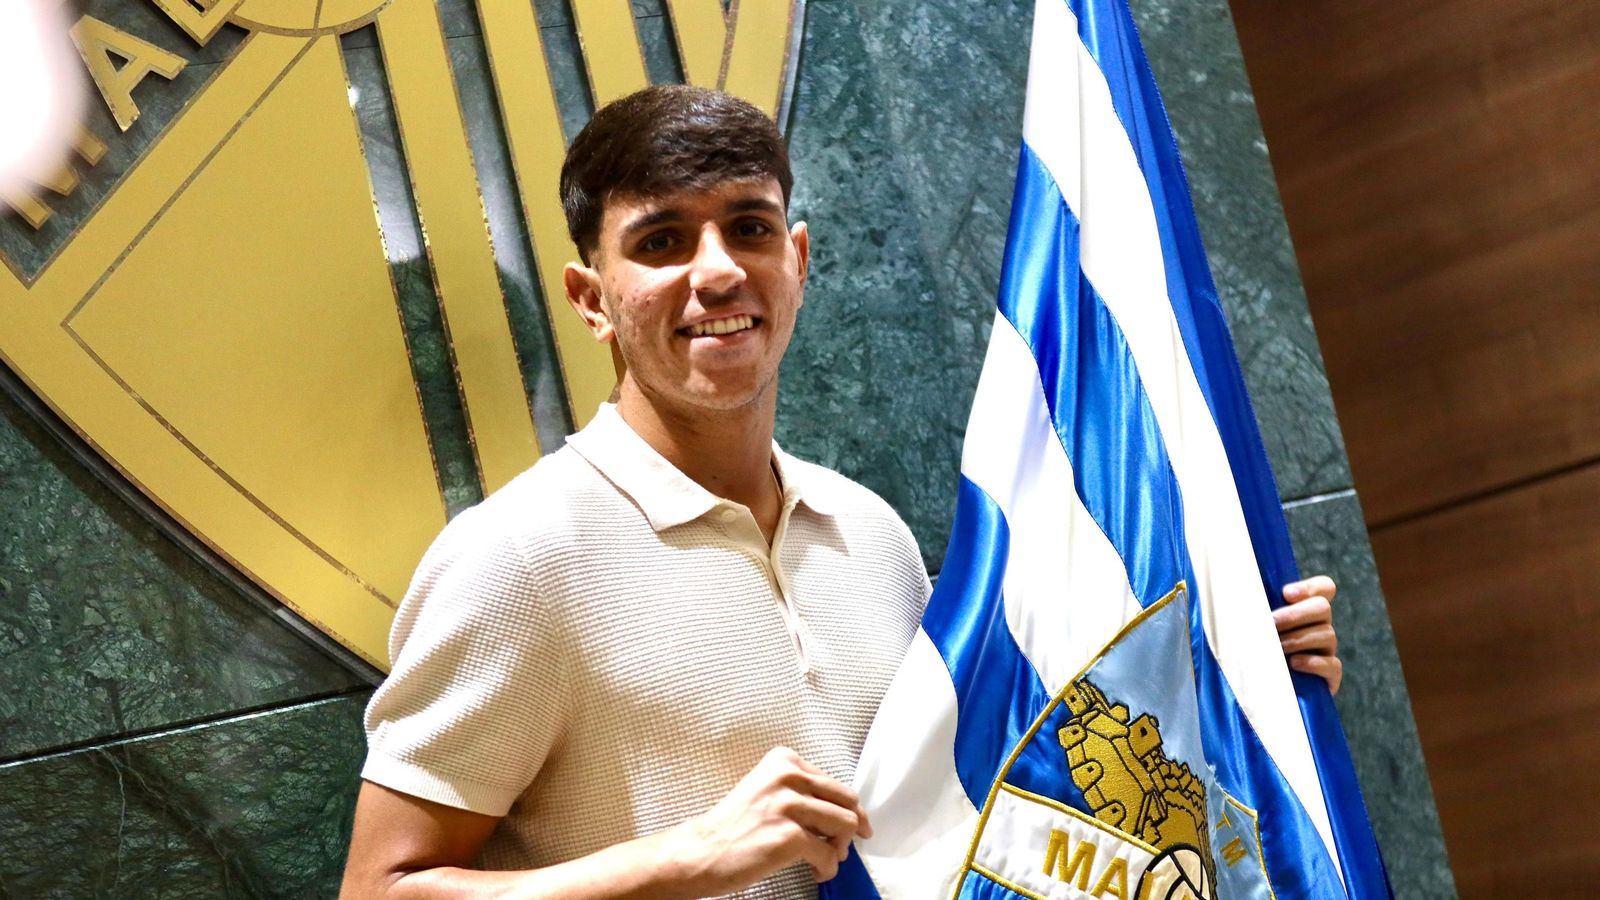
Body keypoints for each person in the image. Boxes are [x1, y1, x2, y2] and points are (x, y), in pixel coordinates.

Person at [340, 85, 1342, 899]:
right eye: (660, 243)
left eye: (749, 228)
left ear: (800, 259)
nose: (717, 272)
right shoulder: (514, 558)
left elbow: (1002, 801)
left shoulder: (872, 535)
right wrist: (683, 860)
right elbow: (381, 893)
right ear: (590, 298)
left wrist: (1221, 669)